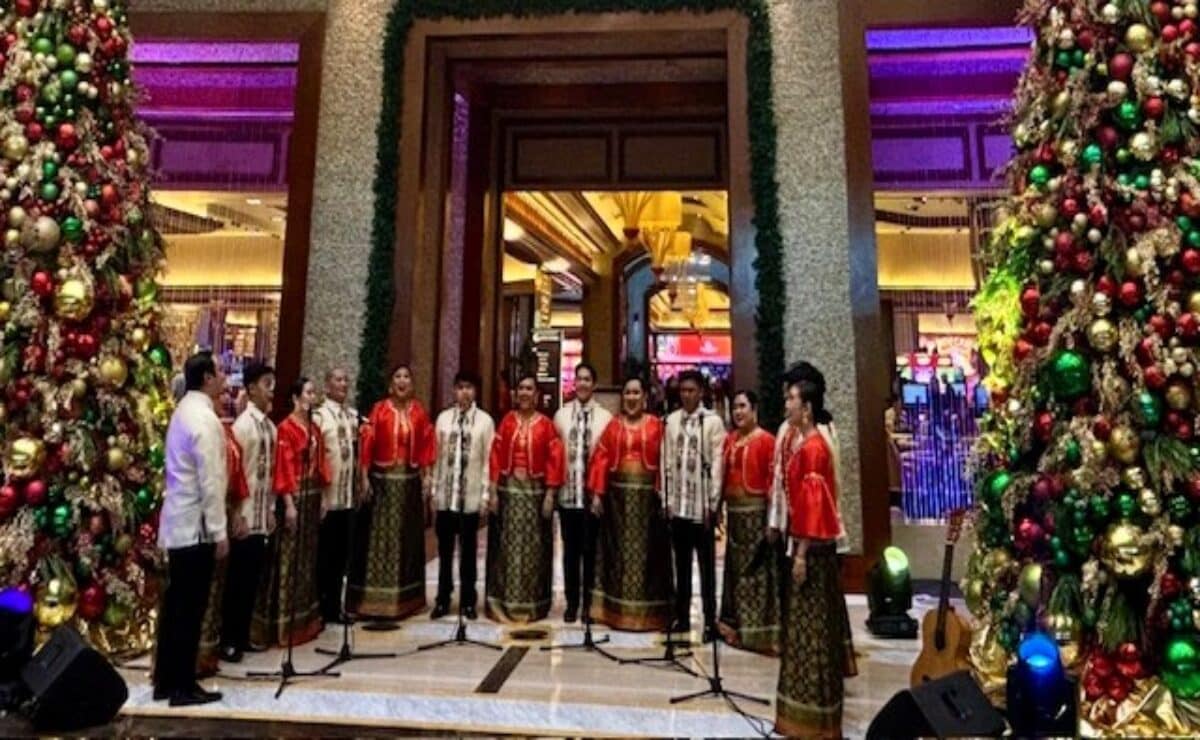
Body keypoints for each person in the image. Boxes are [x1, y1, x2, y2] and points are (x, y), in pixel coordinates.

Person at [774, 371, 855, 739]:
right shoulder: (805, 442)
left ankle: (812, 716)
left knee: (811, 628)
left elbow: (812, 509)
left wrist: (801, 553)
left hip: (813, 551)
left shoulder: (812, 448)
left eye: (792, 400)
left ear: (806, 408)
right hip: (812, 547)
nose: (787, 405)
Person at [154, 351, 228, 707]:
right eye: (220, 371)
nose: (225, 376)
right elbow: (210, 480)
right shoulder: (204, 418)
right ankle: (182, 685)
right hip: (194, 527)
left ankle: (166, 680)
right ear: (208, 378)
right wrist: (219, 530)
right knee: (189, 609)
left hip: (178, 523)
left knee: (176, 607)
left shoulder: (184, 410)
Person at [587, 375, 671, 631]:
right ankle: (614, 610)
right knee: (617, 556)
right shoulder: (613, 426)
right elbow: (601, 459)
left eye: (636, 393)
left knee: (649, 555)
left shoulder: (658, 426)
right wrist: (598, 494)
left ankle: (651, 612)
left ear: (645, 397)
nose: (632, 398)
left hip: (648, 504)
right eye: (628, 393)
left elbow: (666, 463)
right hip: (618, 504)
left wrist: (665, 494)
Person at [252, 376, 331, 647]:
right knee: (288, 559)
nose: (312, 397)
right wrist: (288, 504)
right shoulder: (286, 429)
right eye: (308, 393)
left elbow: (321, 463)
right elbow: (283, 468)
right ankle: (284, 623)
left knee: (308, 559)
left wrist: (322, 496)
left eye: (313, 393)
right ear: (296, 398)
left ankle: (304, 619)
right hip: (294, 499)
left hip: (311, 498)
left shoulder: (314, 428)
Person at [353, 365, 436, 619]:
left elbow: (426, 445)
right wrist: (364, 476)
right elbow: (367, 443)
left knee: (406, 539)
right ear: (391, 384)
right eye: (397, 377)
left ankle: (407, 598)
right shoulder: (379, 410)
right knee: (380, 539)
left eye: (407, 377)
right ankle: (374, 599)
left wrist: (427, 476)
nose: (402, 381)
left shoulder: (418, 412)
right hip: (383, 484)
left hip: (409, 483)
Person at [485, 372, 564, 623]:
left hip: (535, 495)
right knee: (506, 547)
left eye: (530, 389)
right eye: (521, 388)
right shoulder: (507, 422)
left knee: (534, 548)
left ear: (537, 395)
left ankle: (533, 604)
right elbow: (496, 456)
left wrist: (551, 493)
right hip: (508, 495)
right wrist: (494, 490)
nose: (525, 393)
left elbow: (555, 460)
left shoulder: (546, 425)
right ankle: (503, 603)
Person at [662, 370, 725, 642]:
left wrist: (713, 502)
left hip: (702, 507)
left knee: (707, 567)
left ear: (701, 392)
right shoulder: (671, 421)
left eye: (691, 390)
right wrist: (666, 500)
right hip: (679, 506)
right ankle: (682, 617)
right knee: (682, 565)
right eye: (683, 390)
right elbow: (665, 462)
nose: (686, 395)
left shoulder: (711, 422)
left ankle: (710, 621)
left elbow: (718, 464)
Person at [220, 361, 277, 661]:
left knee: (253, 578)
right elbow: (235, 473)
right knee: (238, 580)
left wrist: (270, 508)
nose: (272, 390)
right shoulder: (242, 426)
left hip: (261, 514)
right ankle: (229, 637)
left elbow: (270, 474)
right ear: (252, 388)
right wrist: (235, 513)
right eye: (267, 383)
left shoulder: (270, 426)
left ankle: (242, 635)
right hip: (244, 514)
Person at [716, 390, 779, 655]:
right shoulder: (730, 440)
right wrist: (718, 506)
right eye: (735, 408)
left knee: (759, 574)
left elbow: (774, 484)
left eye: (743, 407)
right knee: (735, 572)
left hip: (757, 515)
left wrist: (772, 519)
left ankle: (760, 631)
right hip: (736, 516)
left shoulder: (767, 441)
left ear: (754, 410)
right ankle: (736, 626)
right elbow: (722, 477)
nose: (738, 413)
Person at [430, 371, 495, 620]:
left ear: (475, 391)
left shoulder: (485, 422)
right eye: (460, 387)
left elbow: (489, 460)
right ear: (454, 391)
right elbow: (436, 458)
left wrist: (486, 494)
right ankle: (443, 599)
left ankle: (468, 600)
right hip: (447, 496)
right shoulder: (444, 419)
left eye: (469, 387)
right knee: (445, 552)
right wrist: (434, 489)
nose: (464, 392)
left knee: (468, 552)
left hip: (470, 496)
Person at [551, 362, 612, 623]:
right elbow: (554, 458)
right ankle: (571, 602)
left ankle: (589, 604)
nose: (583, 384)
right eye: (579, 379)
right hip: (568, 496)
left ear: (594, 385)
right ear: (574, 383)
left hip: (592, 499)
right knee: (570, 552)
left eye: (588, 379)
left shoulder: (605, 418)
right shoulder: (561, 416)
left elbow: (606, 460)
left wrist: (599, 493)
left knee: (590, 552)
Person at [196, 412, 252, 675]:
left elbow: (238, 477)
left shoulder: (227, 435)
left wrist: (238, 511)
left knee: (222, 584)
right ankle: (195, 656)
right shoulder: (202, 431)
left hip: (224, 513)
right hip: (201, 516)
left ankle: (214, 648)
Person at [314, 367, 359, 624]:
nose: (343, 384)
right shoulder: (321, 418)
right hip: (328, 499)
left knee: (342, 556)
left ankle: (335, 605)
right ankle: (322, 606)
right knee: (326, 555)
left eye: (345, 380)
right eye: (338, 380)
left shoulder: (351, 417)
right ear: (327, 386)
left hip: (347, 497)